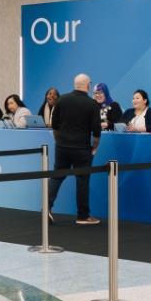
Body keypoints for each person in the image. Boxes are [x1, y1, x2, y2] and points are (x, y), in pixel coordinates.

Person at [49, 73, 101, 224]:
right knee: (82, 180)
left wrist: (58, 140)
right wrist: (94, 148)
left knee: (57, 177)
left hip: (62, 146)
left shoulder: (62, 99)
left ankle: (46, 208)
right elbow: (96, 131)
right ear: (87, 85)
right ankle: (83, 216)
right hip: (82, 148)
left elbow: (54, 124)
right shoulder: (92, 104)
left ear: (75, 84)